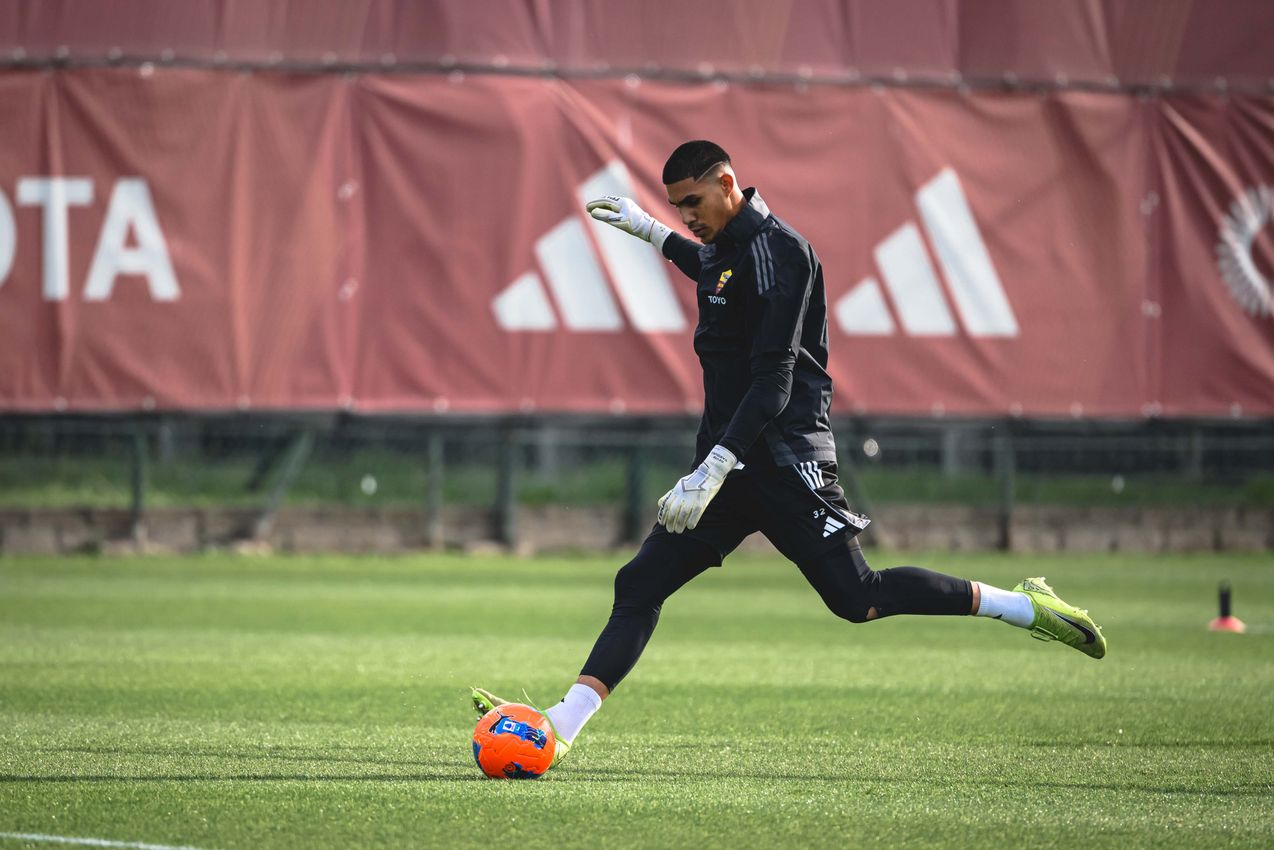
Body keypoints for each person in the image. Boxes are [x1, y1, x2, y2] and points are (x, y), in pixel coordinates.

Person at [472, 140, 1105, 769]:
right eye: (676, 206)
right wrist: (650, 231)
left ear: (727, 183)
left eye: (692, 202)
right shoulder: (728, 248)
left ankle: (1024, 606)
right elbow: (713, 271)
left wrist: (712, 467)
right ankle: (562, 726)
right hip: (728, 462)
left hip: (782, 458)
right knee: (640, 583)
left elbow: (774, 382)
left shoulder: (784, 252)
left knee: (858, 598)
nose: (687, 216)